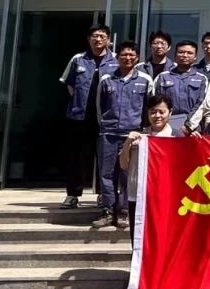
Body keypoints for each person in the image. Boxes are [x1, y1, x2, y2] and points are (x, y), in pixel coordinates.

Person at [93, 41, 154, 229]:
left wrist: (143, 131)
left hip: (133, 134)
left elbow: (149, 108)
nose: (128, 58)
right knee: (106, 173)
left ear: (137, 58)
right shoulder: (106, 79)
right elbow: (99, 106)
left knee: (128, 174)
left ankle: (124, 211)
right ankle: (108, 211)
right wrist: (105, 125)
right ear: (117, 57)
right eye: (124, 54)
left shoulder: (145, 80)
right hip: (108, 133)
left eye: (132, 55)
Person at [58, 24, 118, 209]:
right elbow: (69, 84)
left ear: (108, 40)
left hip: (106, 118)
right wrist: (79, 102)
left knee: (105, 157)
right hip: (80, 117)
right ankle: (73, 195)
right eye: (94, 36)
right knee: (76, 156)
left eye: (102, 36)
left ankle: (102, 194)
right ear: (88, 39)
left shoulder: (116, 60)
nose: (98, 39)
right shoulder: (78, 59)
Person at [118, 94, 177, 233]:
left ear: (170, 112)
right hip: (138, 195)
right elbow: (123, 165)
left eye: (161, 112)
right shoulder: (139, 137)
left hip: (166, 196)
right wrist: (127, 144)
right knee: (139, 237)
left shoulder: (177, 137)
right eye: (153, 112)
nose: (157, 116)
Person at [153, 40, 208, 135]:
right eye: (181, 52)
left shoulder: (202, 79)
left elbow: (202, 104)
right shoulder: (162, 77)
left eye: (189, 53)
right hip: (166, 127)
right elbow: (155, 103)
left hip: (193, 130)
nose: (185, 55)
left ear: (195, 57)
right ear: (175, 55)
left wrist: (189, 126)